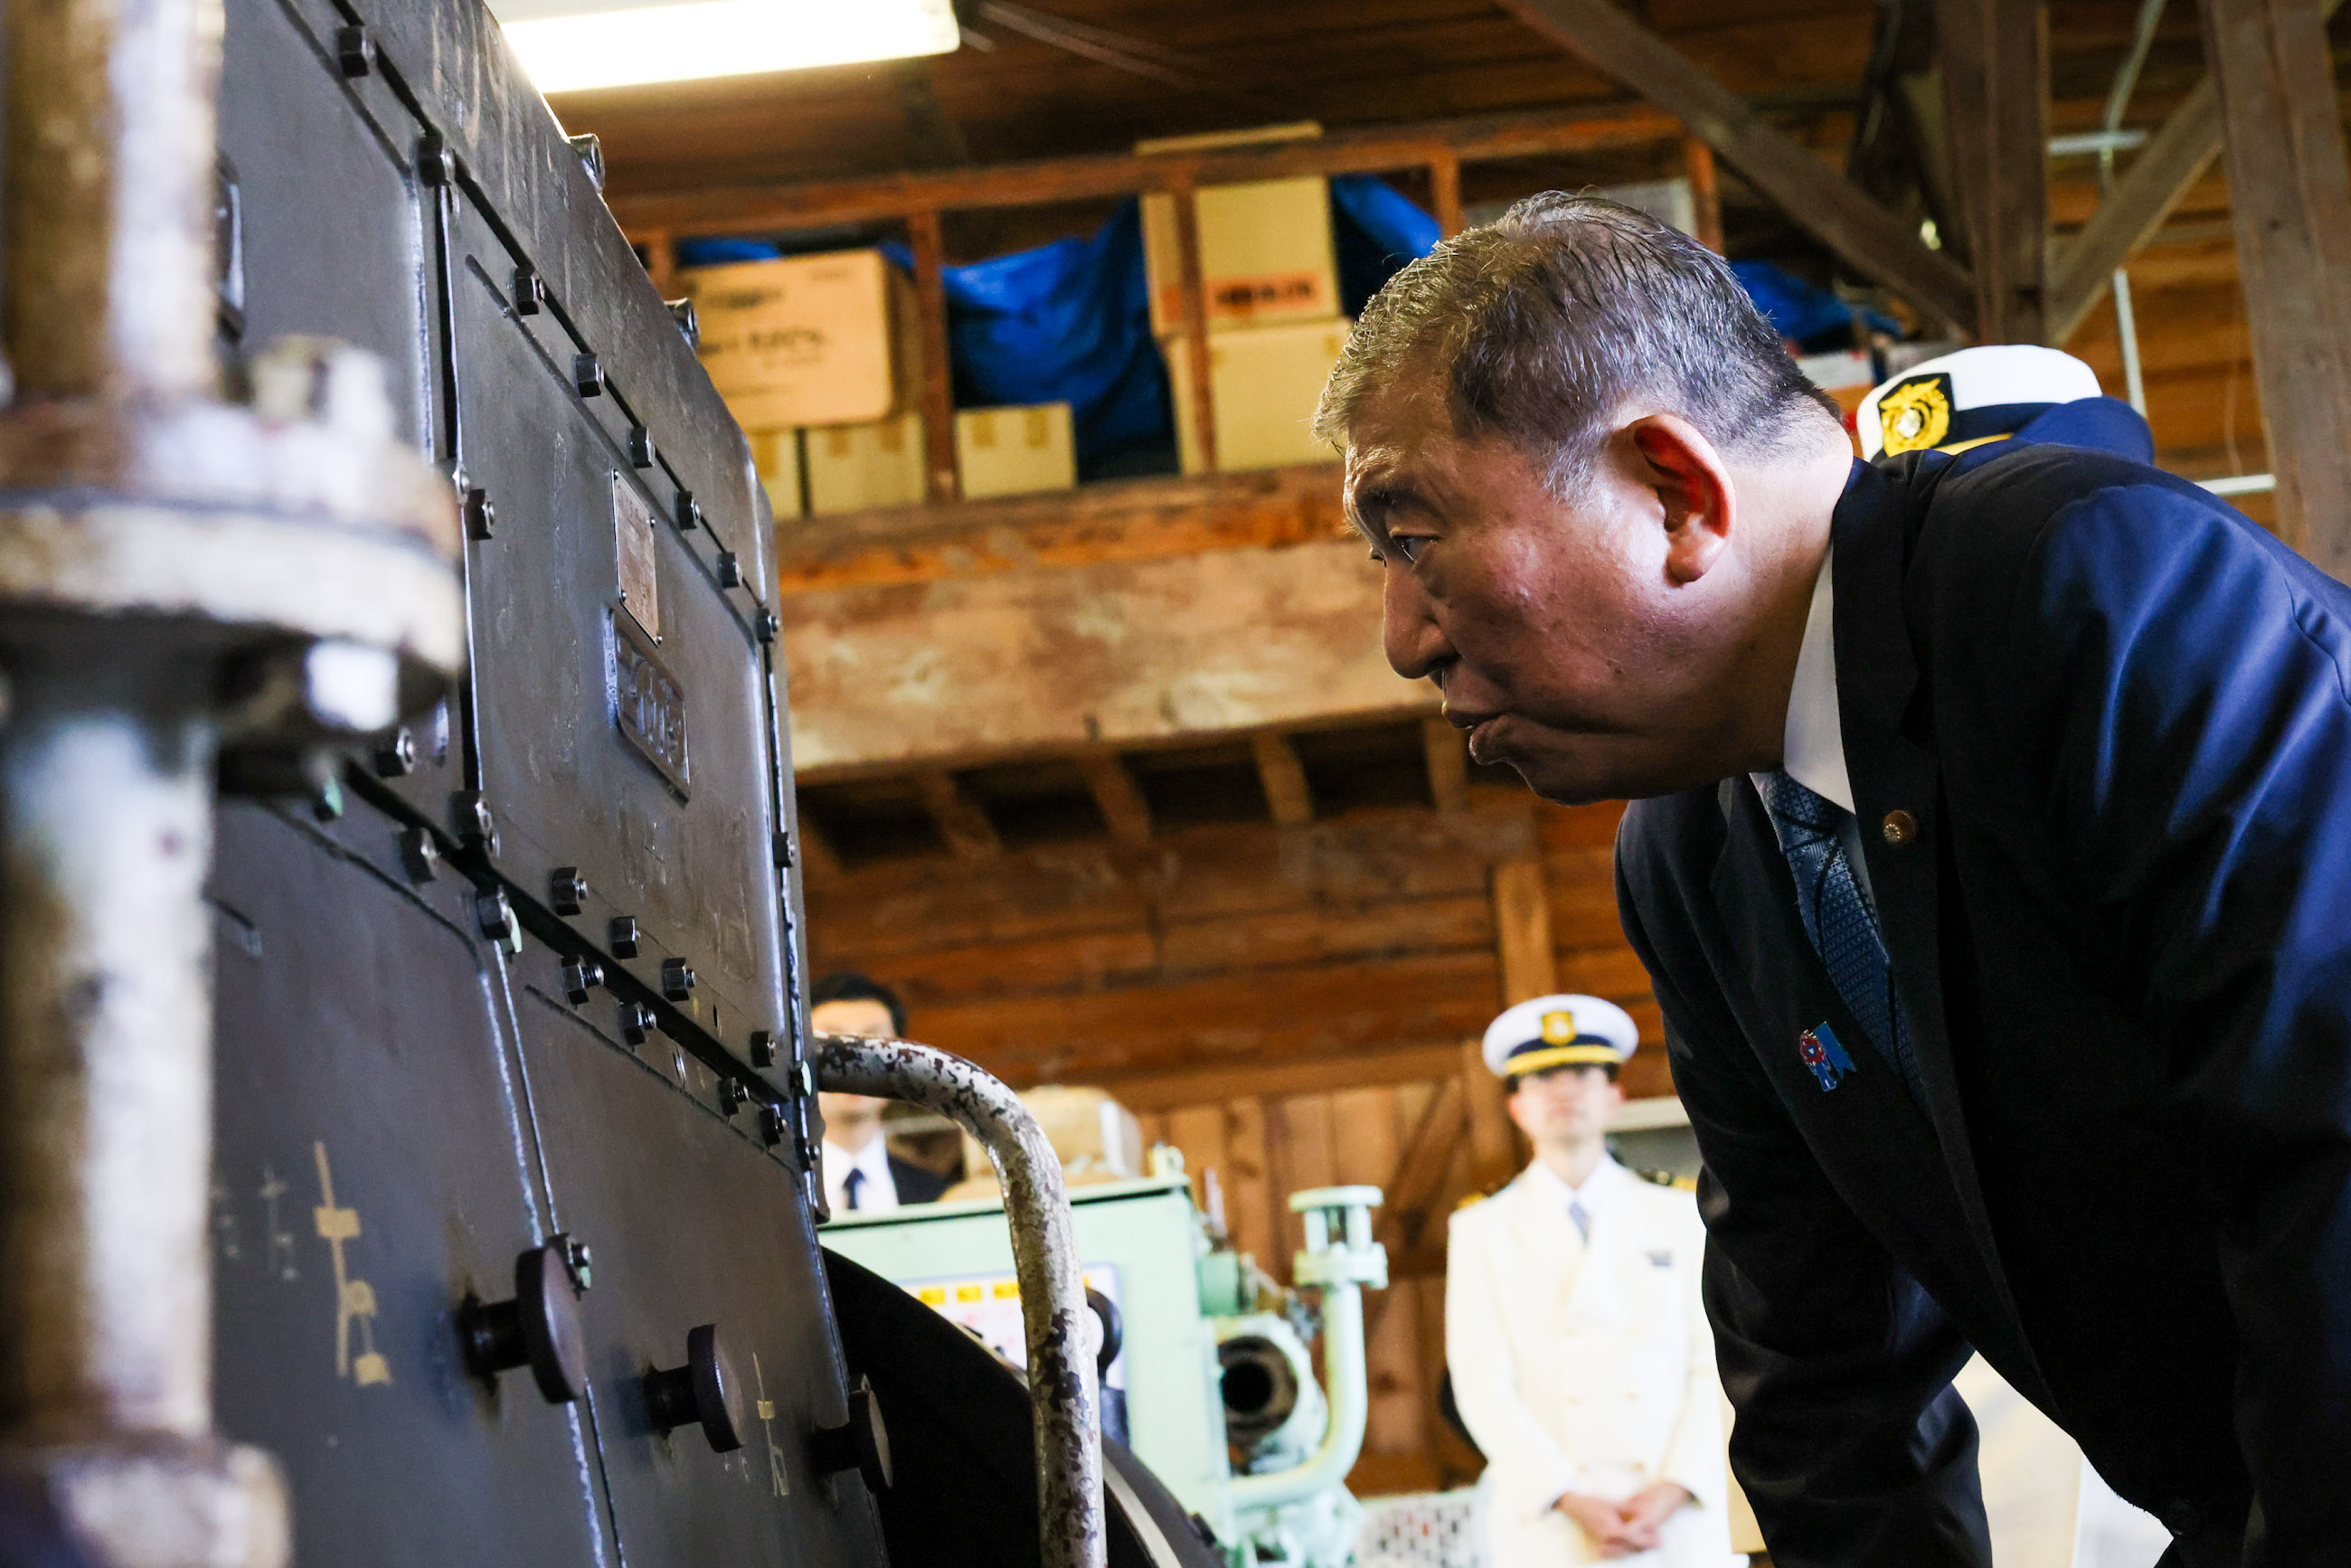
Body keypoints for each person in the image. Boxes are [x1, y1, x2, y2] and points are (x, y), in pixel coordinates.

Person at [1311, 192, 2351, 1565]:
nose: (1399, 640)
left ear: (1673, 493)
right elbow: (1824, 1380)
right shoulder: (1692, 854)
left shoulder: (2092, 594)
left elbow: (2331, 1171)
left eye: (1413, 531)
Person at [1448, 993, 1740, 1568]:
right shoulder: (1479, 1228)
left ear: (1615, 1098)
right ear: (1517, 1108)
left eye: (1582, 1072)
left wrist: (1672, 1488)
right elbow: (1482, 1383)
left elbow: (1715, 1363)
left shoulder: (1680, 1212)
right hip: (1554, 1527)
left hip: (1676, 1522)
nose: (1564, 1090)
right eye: (1542, 1077)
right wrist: (1572, 1499)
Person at [809, 972, 947, 1213]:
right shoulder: (772, 1194)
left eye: (872, 1044)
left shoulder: (937, 1197)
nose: (853, 1063)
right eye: (832, 1045)